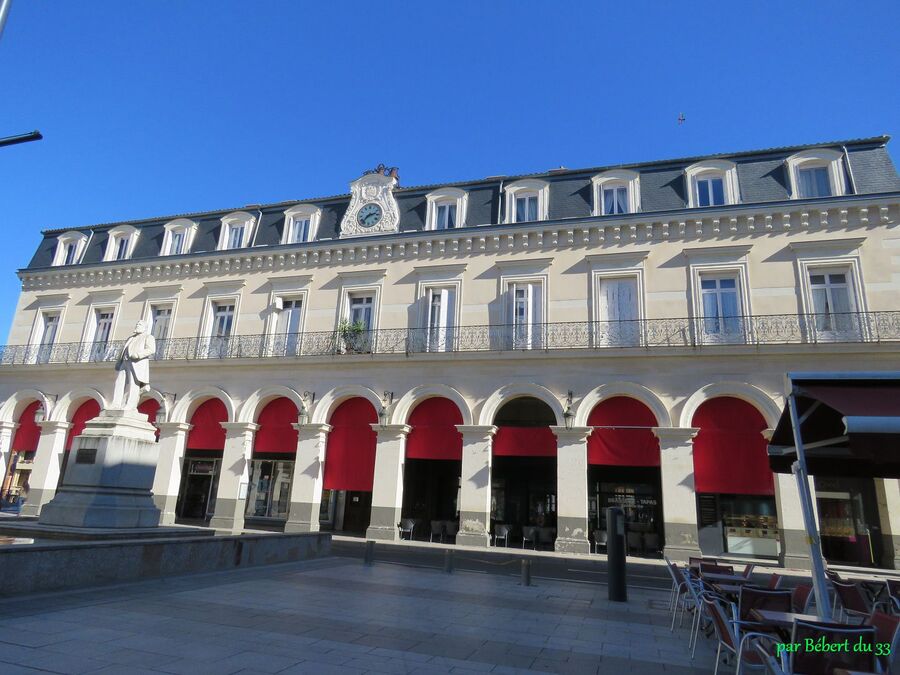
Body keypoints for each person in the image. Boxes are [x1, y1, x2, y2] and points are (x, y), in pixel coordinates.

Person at [112, 321, 156, 410]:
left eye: (139, 324)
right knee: (119, 382)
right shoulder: (130, 338)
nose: (137, 326)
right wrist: (119, 361)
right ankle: (116, 404)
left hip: (136, 363)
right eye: (136, 324)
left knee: (133, 384)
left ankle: (130, 405)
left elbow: (151, 349)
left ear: (145, 327)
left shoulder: (148, 337)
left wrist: (139, 354)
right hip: (124, 362)